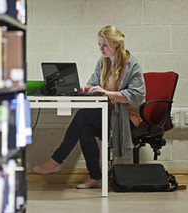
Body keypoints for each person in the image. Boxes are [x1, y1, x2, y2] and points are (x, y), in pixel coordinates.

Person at [32, 25, 146, 189]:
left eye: (104, 44)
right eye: (99, 44)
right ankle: (96, 177)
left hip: (126, 117)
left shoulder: (131, 64)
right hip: (107, 114)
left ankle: (56, 160)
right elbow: (94, 83)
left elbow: (137, 95)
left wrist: (107, 93)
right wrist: (87, 88)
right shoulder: (103, 62)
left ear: (116, 44)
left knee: (83, 115)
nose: (101, 48)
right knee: (85, 129)